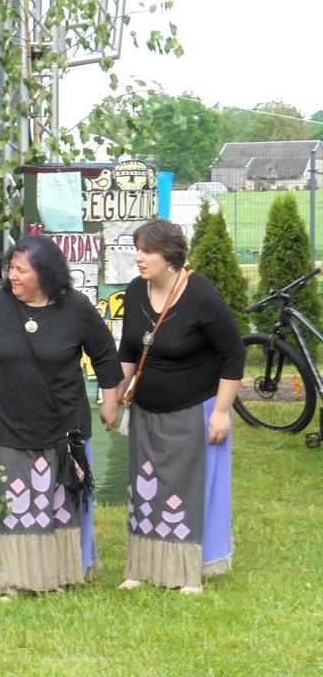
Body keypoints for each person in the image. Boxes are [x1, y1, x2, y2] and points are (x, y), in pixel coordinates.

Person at [0, 234, 122, 598]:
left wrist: (111, 402)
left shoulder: (76, 307)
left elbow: (105, 355)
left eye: (21, 270)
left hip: (63, 425)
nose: (12, 276)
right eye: (11, 268)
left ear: (45, 275)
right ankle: (8, 578)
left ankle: (60, 574)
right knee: (10, 501)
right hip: (5, 422)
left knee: (59, 502)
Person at [115, 218, 242, 593]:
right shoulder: (135, 291)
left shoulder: (200, 294)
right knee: (145, 487)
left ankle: (189, 571)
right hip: (146, 410)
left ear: (170, 257)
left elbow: (233, 353)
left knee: (185, 489)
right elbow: (129, 349)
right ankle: (142, 566)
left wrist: (221, 412)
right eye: (137, 250)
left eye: (147, 251)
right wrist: (115, 394)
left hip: (193, 409)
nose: (139, 258)